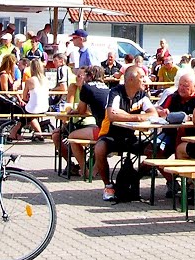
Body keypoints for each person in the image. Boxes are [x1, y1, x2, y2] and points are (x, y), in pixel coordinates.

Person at [94, 65, 156, 201]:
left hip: (131, 137)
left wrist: (128, 115)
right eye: (142, 77)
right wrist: (137, 117)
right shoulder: (115, 92)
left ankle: (132, 179)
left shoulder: (142, 95)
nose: (145, 80)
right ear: (131, 80)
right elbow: (111, 115)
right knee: (99, 149)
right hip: (111, 135)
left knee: (155, 151)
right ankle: (108, 186)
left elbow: (153, 113)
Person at [55, 65, 111, 177]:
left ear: (90, 76)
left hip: (103, 130)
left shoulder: (87, 87)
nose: (82, 77)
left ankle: (85, 169)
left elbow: (81, 110)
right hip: (112, 128)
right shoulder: (106, 88)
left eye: (85, 74)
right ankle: (93, 169)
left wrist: (73, 111)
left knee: (72, 136)